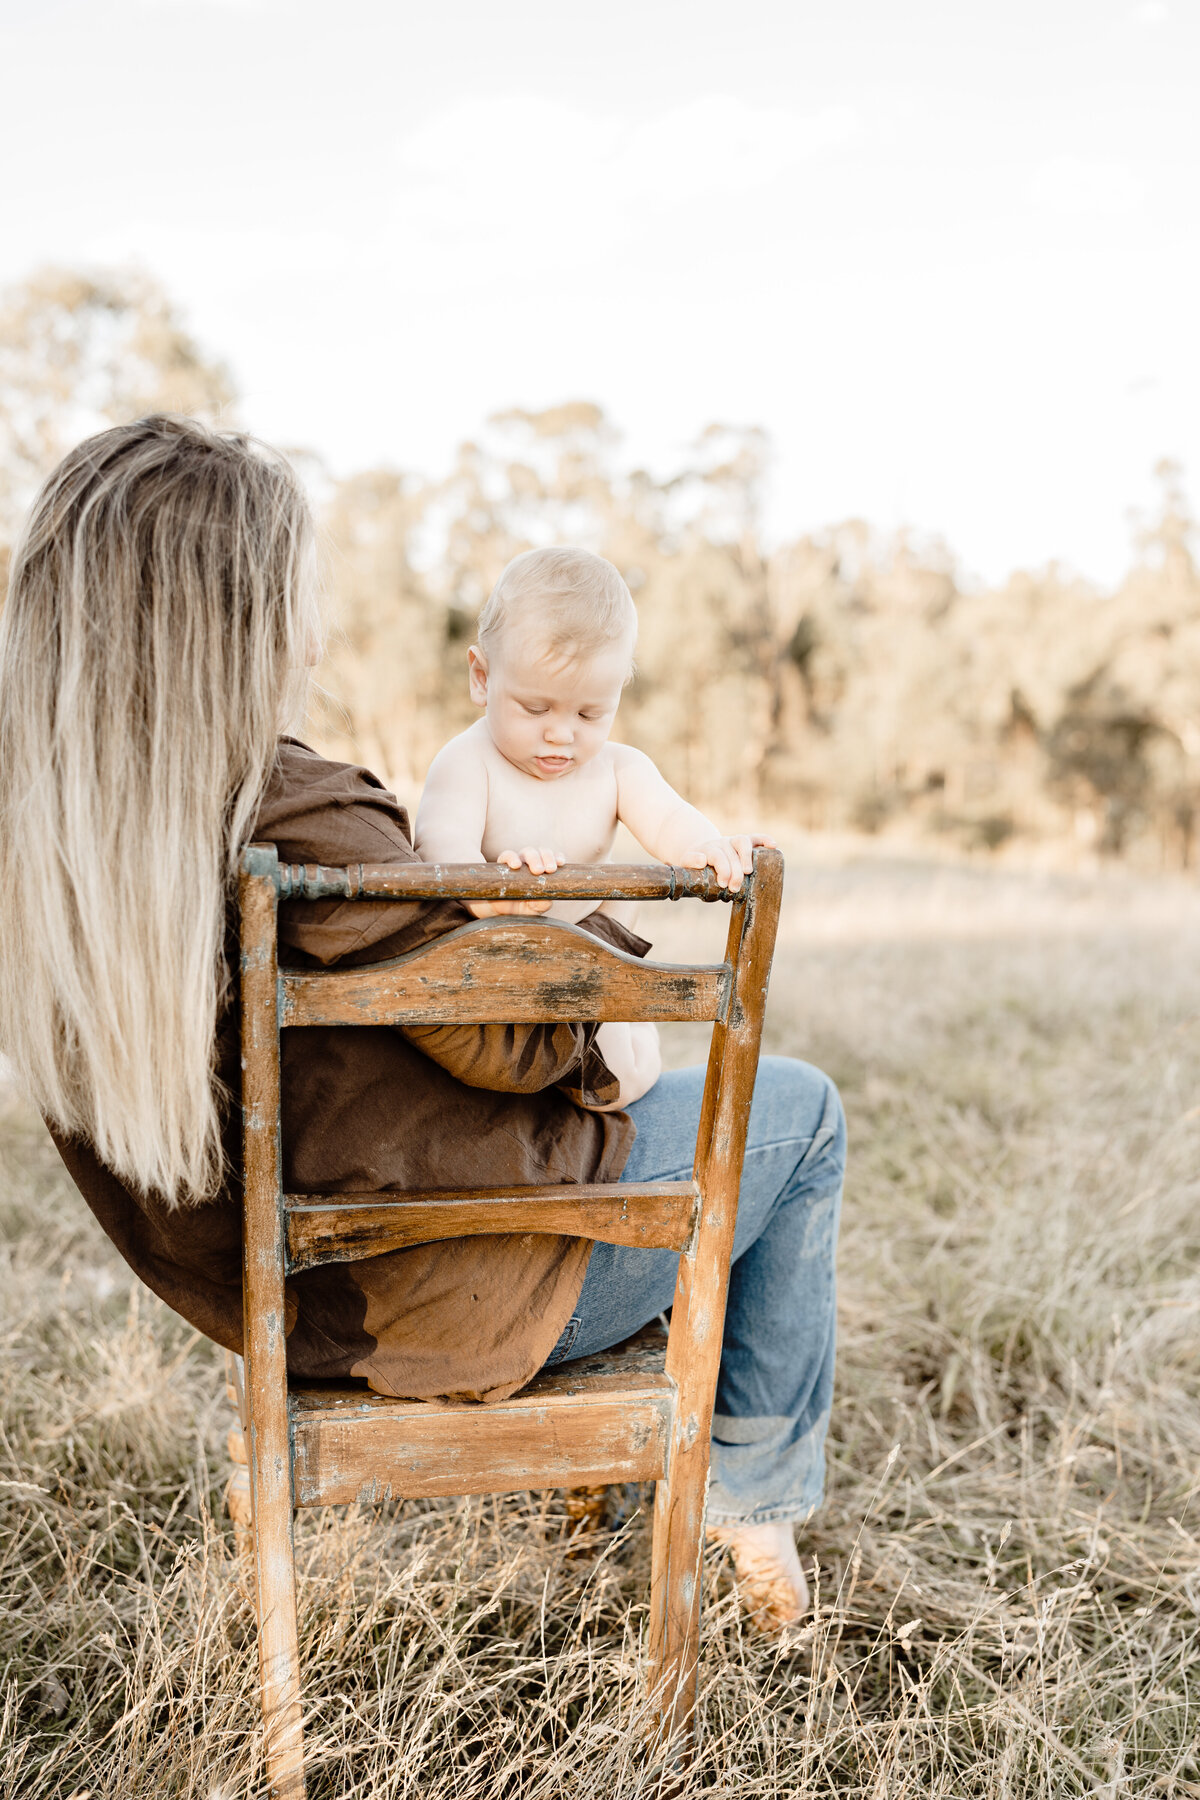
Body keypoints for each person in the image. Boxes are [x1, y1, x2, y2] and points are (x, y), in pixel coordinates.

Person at [0, 416, 844, 1631]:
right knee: (799, 1112)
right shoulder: (300, 814)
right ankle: (752, 1496)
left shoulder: (70, 848)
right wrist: (573, 924)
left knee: (702, 1115)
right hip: (460, 1297)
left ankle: (646, 1478)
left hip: (282, 1307)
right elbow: (524, 1047)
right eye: (293, 602)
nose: (313, 638)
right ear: (229, 623)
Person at [414, 546, 775, 1111]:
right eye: (535, 709)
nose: (562, 735)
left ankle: (636, 1044)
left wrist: (706, 845)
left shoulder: (617, 767)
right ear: (482, 678)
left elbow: (669, 819)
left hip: (594, 960)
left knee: (616, 1089)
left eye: (589, 714)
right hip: (498, 970)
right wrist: (490, 893)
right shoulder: (468, 762)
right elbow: (438, 847)